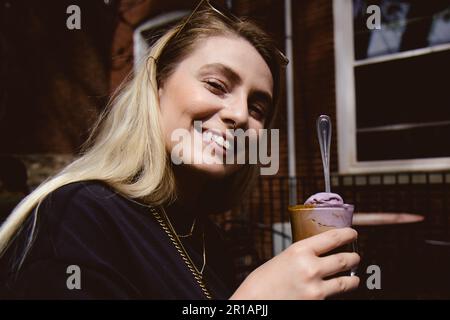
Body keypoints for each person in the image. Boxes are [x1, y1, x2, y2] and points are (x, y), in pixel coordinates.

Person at [0, 1, 359, 299]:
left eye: (257, 108)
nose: (238, 114)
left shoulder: (207, 239)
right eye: (217, 84)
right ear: (157, 87)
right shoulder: (78, 217)